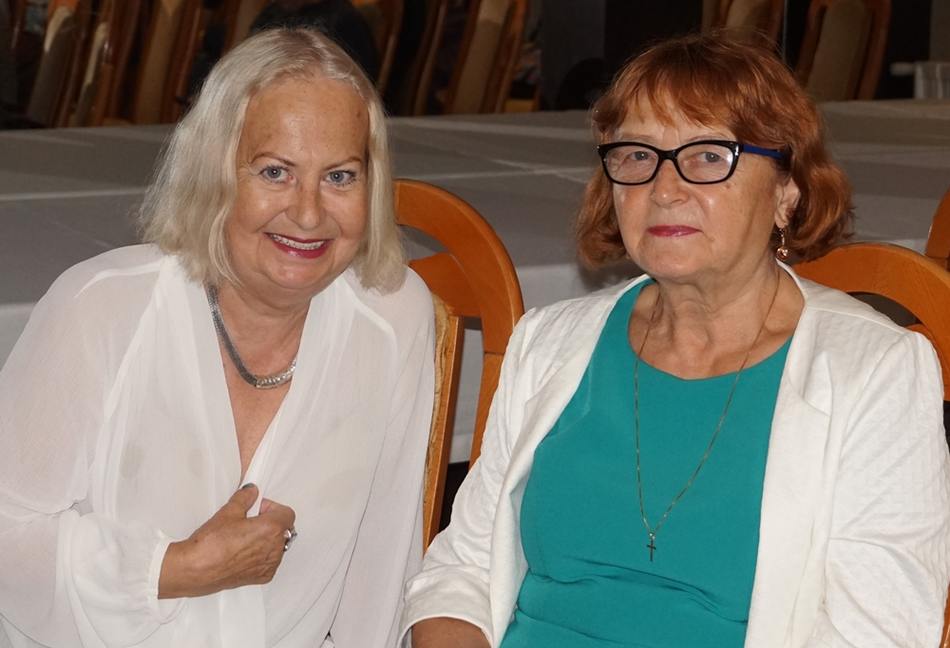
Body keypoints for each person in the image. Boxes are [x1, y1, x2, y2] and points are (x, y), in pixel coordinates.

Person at [402, 32, 950, 647]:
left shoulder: (875, 371)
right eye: (638, 155)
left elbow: (877, 632)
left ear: (786, 192)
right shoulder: (549, 342)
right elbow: (459, 571)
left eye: (710, 156)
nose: (663, 189)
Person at [0, 28, 434, 647]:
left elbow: (383, 562)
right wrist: (175, 569)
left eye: (340, 176)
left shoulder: (393, 317)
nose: (308, 214)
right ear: (214, 172)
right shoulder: (102, 308)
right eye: (275, 171)